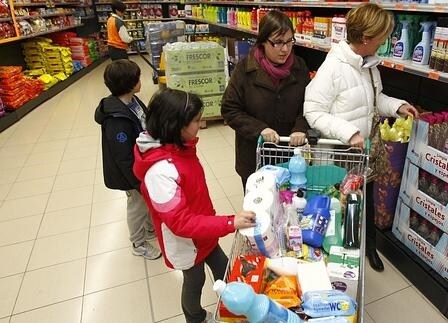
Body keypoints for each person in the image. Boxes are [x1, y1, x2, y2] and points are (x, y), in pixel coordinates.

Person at [303, 3, 419, 272]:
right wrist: (348, 132)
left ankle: (368, 249)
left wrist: (396, 106)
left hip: (364, 153)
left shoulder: (368, 65)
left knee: (363, 202)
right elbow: (313, 111)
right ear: (366, 39)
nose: (384, 42)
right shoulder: (333, 68)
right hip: (339, 156)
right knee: (340, 209)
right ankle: (337, 260)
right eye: (381, 37)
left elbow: (374, 99)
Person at [132, 89, 257, 323]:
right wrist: (230, 222)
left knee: (225, 268)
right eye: (197, 120)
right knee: (195, 280)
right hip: (185, 241)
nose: (200, 124)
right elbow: (181, 223)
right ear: (176, 124)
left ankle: (236, 304)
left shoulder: (181, 147)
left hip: (204, 228)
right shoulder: (160, 172)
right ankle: (195, 317)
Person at [221, 10, 310, 191]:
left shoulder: (299, 67)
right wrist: (259, 129)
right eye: (277, 43)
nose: (285, 49)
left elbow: (309, 106)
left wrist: (300, 128)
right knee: (258, 211)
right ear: (263, 41)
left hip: (290, 159)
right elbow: (229, 108)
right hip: (254, 157)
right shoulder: (245, 69)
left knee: (290, 208)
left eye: (289, 41)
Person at [95, 59, 161, 260]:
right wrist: (137, 182)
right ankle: (138, 242)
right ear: (129, 83)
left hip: (142, 164)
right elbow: (123, 157)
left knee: (147, 202)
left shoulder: (133, 101)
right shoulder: (117, 119)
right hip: (130, 174)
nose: (141, 81)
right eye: (137, 78)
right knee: (137, 206)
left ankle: (150, 230)